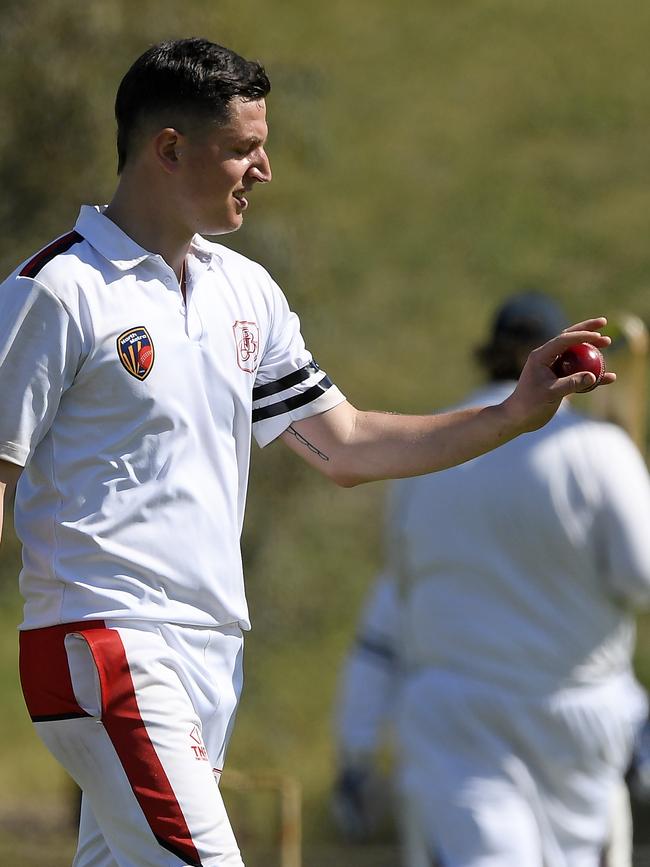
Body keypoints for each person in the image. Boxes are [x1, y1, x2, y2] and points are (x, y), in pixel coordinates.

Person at [0, 37, 614, 867]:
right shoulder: (57, 289)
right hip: (108, 643)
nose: (265, 169)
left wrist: (511, 413)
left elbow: (346, 445)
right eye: (245, 149)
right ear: (170, 149)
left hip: (211, 653)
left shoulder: (244, 289)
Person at [332, 292, 650, 867]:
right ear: (569, 360)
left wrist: (357, 750)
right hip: (575, 719)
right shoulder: (603, 452)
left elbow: (392, 609)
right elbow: (642, 577)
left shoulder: (429, 452)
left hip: (455, 718)